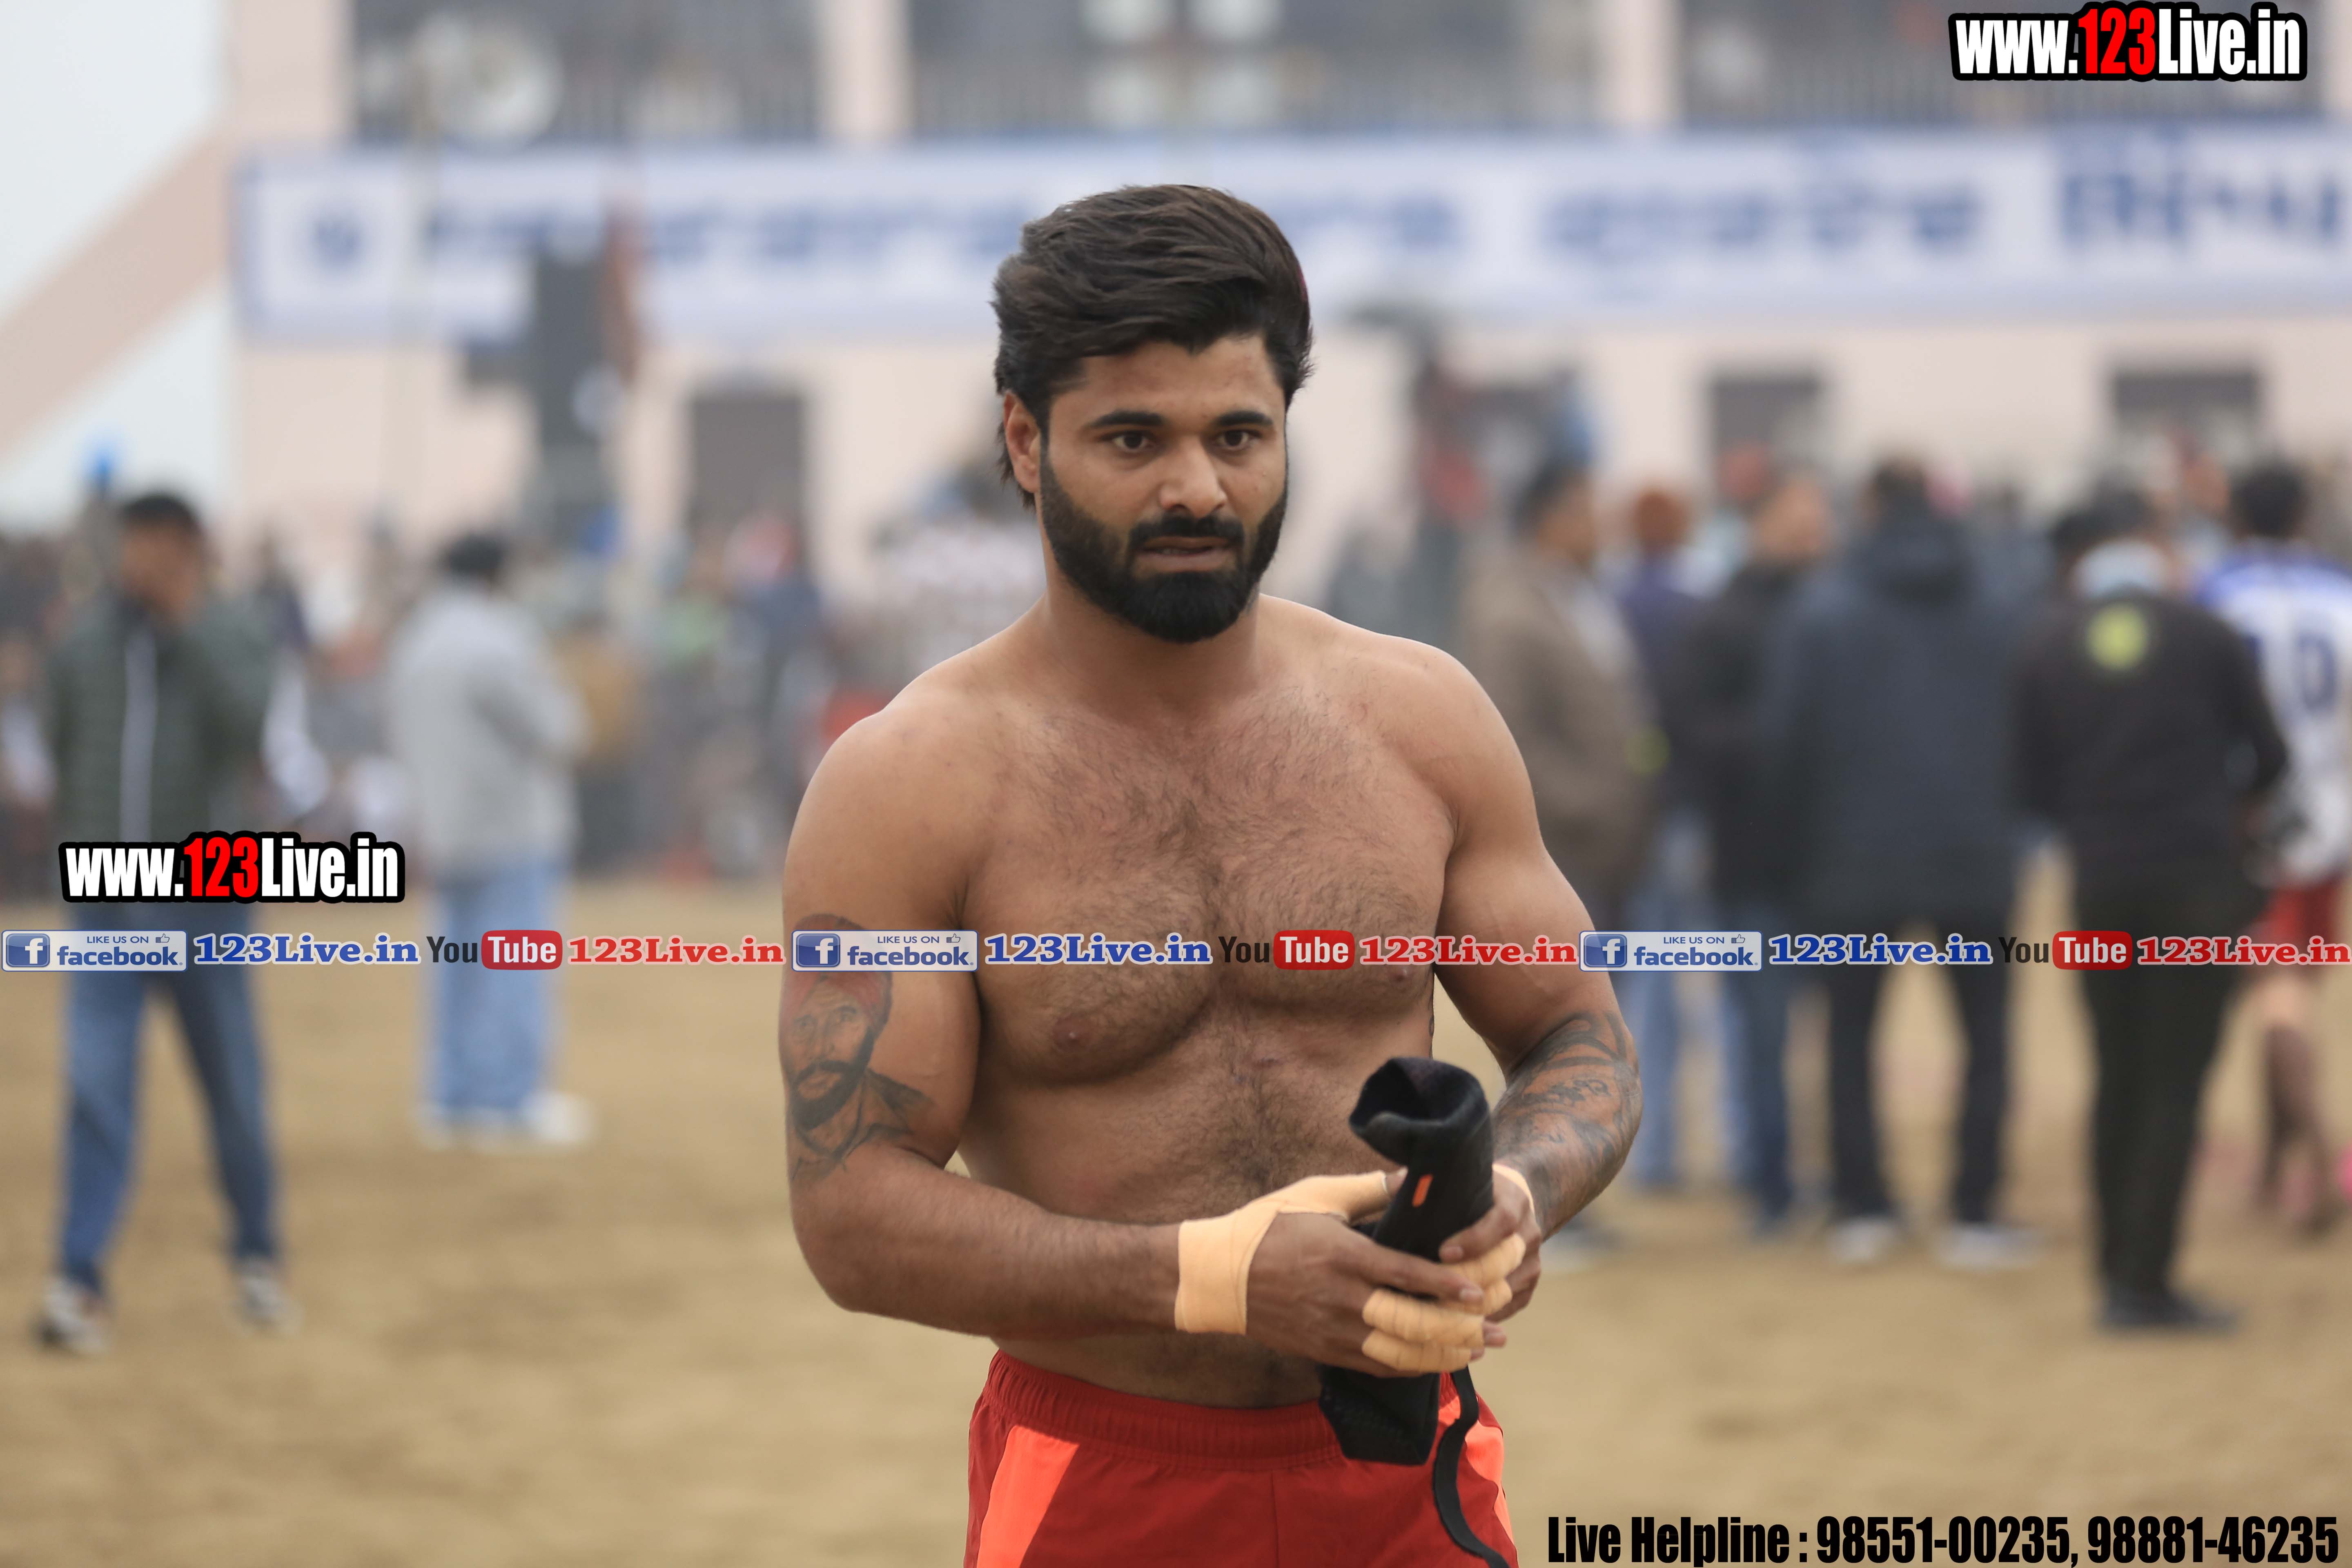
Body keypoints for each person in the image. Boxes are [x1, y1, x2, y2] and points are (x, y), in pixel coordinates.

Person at [780, 185, 1641, 1568]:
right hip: (1107, 1479)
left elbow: (1579, 1037)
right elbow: (852, 1210)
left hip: (1407, 1467)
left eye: (1239, 435)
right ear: (1026, 441)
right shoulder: (911, 784)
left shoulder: (1421, 720)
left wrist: (1523, 1191)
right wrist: (1209, 1278)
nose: (1198, 488)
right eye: (1135, 438)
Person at [2015, 504, 2286, 1330]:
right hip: (2195, 883)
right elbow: (2271, 756)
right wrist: (2221, 812)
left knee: (2117, 1070)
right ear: (2154, 548)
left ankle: (2114, 1270)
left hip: (2099, 884)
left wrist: (2092, 824)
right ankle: (2146, 1280)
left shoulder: (2045, 643)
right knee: (2175, 1077)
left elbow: (2026, 783)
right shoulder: (2206, 633)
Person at [33, 491, 292, 1354]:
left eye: (153, 543)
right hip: (107, 897)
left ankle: (258, 1257)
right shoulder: (83, 643)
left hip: (209, 891)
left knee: (233, 1087)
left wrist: (189, 625)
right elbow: (59, 743)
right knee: (97, 1083)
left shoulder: (233, 632)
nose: (136, 559)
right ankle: (80, 1277)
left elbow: (251, 727)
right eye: (130, 542)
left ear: (189, 546)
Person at [1762, 459, 2030, 1269]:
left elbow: (1786, 740)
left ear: (1871, 508)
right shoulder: (1996, 604)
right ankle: (1976, 1209)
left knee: (1849, 1036)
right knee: (1986, 1034)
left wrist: (1793, 853)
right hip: (1975, 851)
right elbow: (2030, 723)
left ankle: (1863, 1205)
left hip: (1851, 858)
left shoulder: (1824, 607)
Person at [386, 532, 591, 1149]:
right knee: (514, 964)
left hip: (441, 827)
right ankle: (507, 1099)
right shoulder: (499, 636)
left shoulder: (416, 638)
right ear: (496, 576)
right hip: (509, 827)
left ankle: (451, 1095)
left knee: (455, 965)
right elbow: (557, 728)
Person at [1669, 470, 1831, 1234]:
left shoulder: (1835, 611)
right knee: (1762, 1036)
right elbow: (1690, 732)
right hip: (1752, 867)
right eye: (1797, 519)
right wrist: (1780, 738)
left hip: (1832, 869)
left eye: (1818, 519)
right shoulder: (1721, 621)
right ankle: (1769, 1183)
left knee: (1835, 1037)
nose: (1812, 533)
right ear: (1758, 523)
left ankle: (1834, 1178)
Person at [2198, 461, 2352, 1232]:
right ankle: (2275, 1162)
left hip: (2247, 815)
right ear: (2303, 517)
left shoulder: (2213, 595)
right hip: (2329, 813)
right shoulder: (2341, 595)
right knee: (2289, 985)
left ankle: (2313, 1152)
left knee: (2274, 987)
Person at [1457, 459, 1656, 933]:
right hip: (1564, 850)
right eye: (1587, 512)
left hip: (1613, 848)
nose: (1602, 526)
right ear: (1550, 520)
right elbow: (1508, 736)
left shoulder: (1581, 594)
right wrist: (1589, 804)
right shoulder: (1509, 612)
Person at [1610, 484, 1721, 1192]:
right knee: (1722, 978)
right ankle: (1736, 1141)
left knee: (1647, 985)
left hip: (1640, 815)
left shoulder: (1611, 604)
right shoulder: (1701, 605)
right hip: (1696, 810)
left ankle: (1652, 1151)